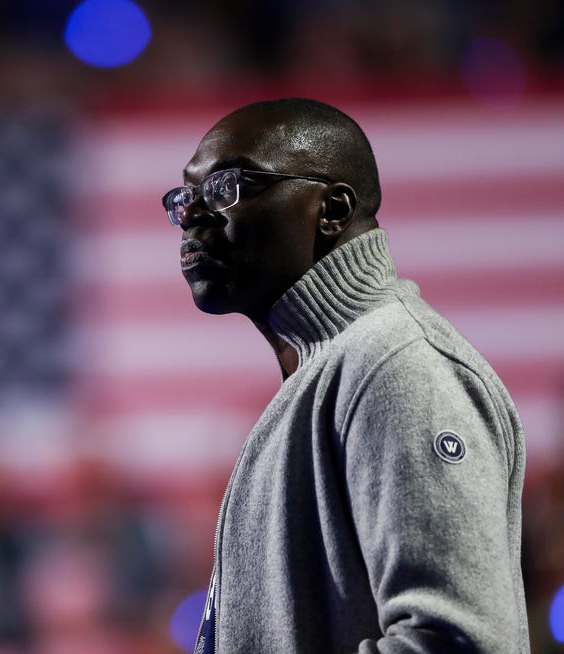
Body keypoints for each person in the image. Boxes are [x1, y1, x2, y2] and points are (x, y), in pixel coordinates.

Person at [161, 98, 529, 652]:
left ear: (331, 209)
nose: (192, 216)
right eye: (186, 198)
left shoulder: (399, 367)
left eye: (226, 187)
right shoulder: (332, 372)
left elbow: (457, 642)